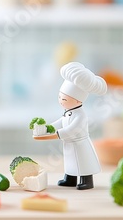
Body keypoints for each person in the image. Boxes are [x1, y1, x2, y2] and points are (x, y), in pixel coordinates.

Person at [34, 62, 107, 190]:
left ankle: (87, 181)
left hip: (80, 144)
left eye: (64, 99)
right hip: (69, 144)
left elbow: (72, 130)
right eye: (60, 97)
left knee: (84, 163)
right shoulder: (68, 112)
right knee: (70, 163)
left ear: (78, 100)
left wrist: (56, 134)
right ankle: (70, 178)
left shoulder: (81, 116)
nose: (61, 101)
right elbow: (60, 122)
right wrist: (47, 128)